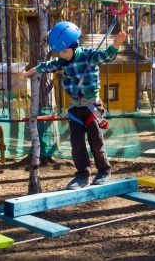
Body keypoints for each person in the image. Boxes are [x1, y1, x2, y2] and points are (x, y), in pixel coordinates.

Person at [22, 21, 126, 190]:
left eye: (64, 51)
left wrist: (115, 45)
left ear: (74, 45)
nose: (62, 55)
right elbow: (48, 66)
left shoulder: (88, 56)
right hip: (75, 109)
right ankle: (82, 175)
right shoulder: (62, 61)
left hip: (91, 106)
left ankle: (104, 171)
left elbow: (105, 56)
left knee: (95, 141)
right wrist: (31, 71)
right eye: (60, 52)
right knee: (76, 143)